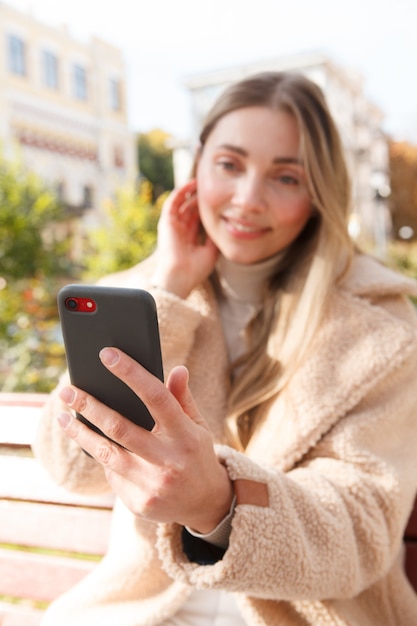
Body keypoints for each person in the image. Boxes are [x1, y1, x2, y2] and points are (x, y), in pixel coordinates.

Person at [33, 71, 417, 626]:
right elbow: (73, 468)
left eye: (285, 177)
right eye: (229, 165)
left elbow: (362, 530)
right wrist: (168, 286)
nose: (247, 199)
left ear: (318, 194)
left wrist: (218, 502)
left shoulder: (381, 328)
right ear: (196, 169)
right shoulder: (145, 292)